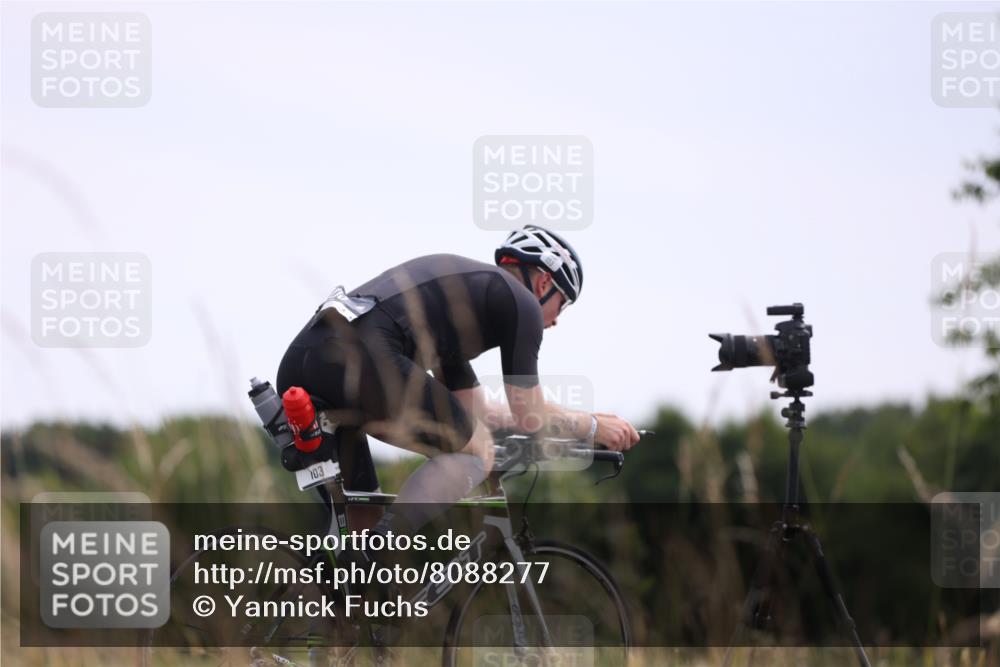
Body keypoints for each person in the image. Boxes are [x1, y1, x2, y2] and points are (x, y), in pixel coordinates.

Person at [275, 224, 641, 542]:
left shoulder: (462, 304)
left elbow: (475, 410)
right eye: (562, 304)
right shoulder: (522, 306)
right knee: (478, 450)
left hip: (304, 361)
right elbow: (528, 413)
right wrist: (591, 427)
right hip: (364, 359)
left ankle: (328, 609)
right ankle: (386, 548)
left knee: (362, 526)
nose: (556, 320)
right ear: (545, 281)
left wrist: (574, 422)